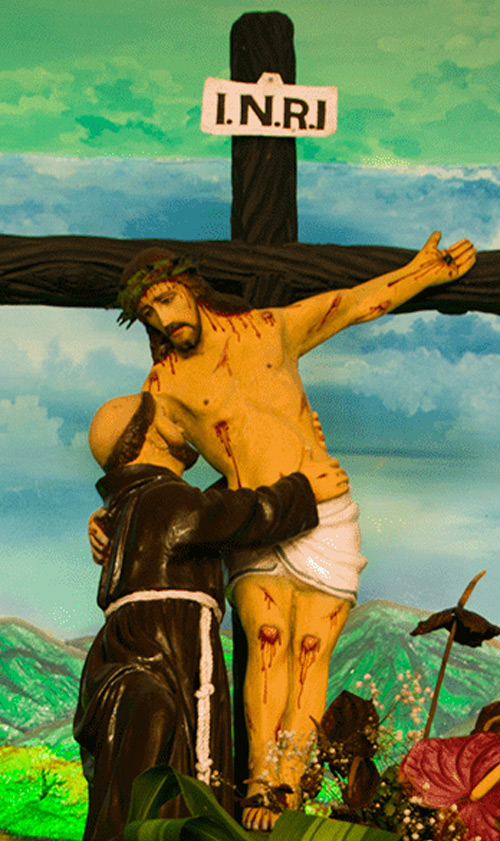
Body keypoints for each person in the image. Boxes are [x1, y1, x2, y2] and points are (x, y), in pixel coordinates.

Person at [116, 231, 476, 830]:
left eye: (165, 299)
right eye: (148, 313)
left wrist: (424, 272)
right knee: (267, 639)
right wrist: (114, 517)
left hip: (325, 505)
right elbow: (140, 455)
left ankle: (292, 785)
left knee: (311, 650)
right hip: (257, 517)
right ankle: (262, 784)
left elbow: (352, 304)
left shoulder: (269, 330)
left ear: (189, 287)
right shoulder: (165, 384)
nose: (162, 318)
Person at [74, 391, 347, 841]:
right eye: (168, 415)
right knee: (170, 769)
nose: (181, 421)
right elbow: (235, 515)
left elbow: (214, 509)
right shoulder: (165, 500)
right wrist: (302, 491)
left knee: (149, 775)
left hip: (141, 652)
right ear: (149, 435)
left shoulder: (138, 505)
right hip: (163, 653)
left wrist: (288, 450)